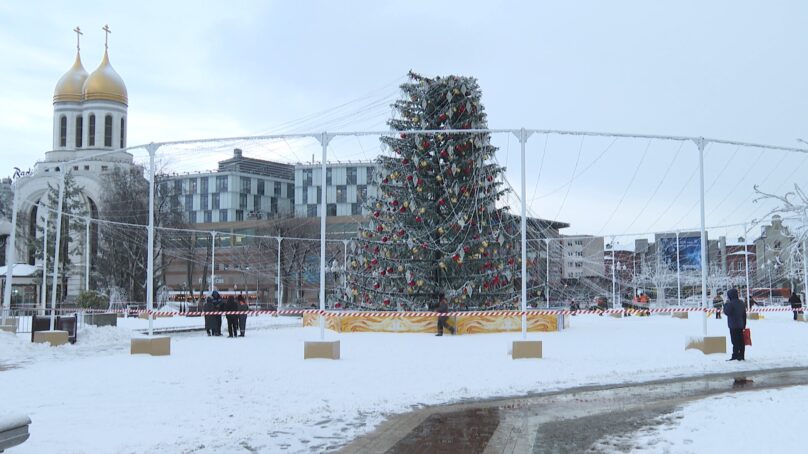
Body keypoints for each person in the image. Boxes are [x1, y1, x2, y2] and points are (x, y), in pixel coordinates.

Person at [723, 288, 747, 361]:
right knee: (741, 341)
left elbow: (727, 312)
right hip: (740, 324)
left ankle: (735, 355)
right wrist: (744, 325)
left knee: (735, 341)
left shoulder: (730, 303)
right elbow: (744, 315)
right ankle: (742, 355)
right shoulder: (741, 303)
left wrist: (725, 304)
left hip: (733, 325)